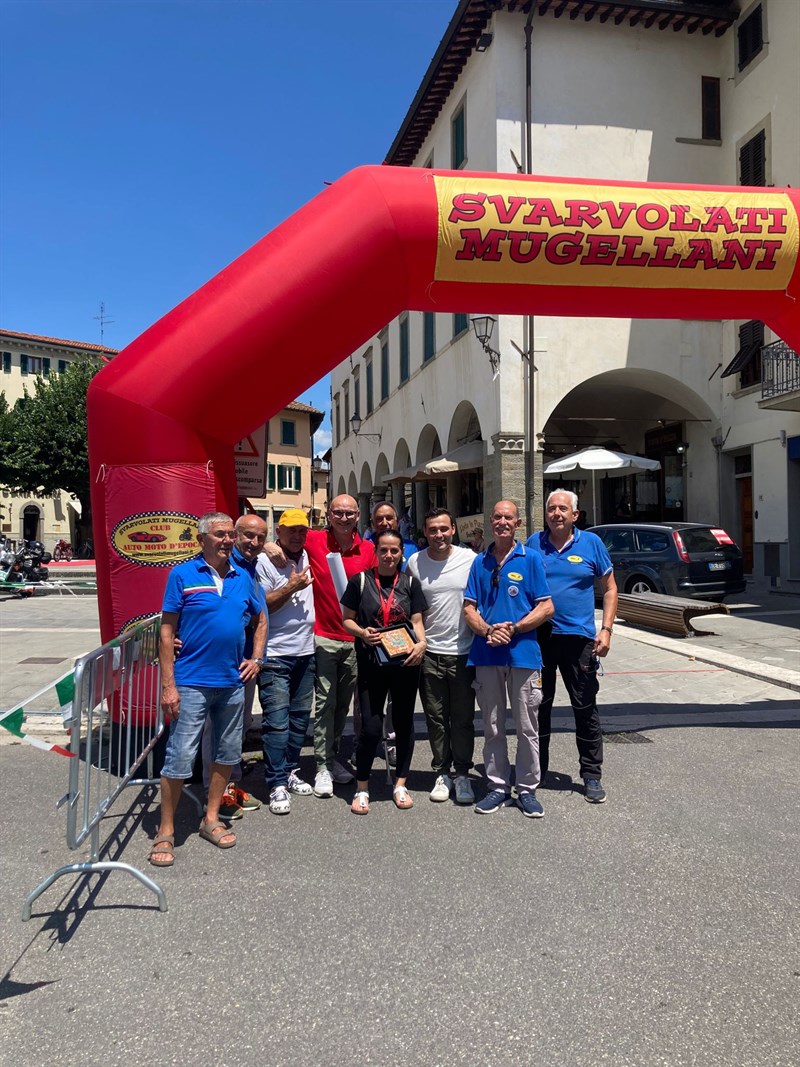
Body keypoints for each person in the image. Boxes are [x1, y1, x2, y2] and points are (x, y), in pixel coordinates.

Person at [149, 512, 266, 866]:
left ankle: (211, 818)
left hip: (232, 682)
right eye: (220, 534)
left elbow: (261, 618)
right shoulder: (182, 574)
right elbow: (167, 631)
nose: (227, 540)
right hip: (190, 681)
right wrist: (168, 685)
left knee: (226, 755)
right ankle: (165, 829)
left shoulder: (243, 576)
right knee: (180, 756)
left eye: (231, 534)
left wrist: (256, 658)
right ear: (201, 539)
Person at [265, 495, 376, 797]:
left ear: (357, 516)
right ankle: (323, 766)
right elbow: (282, 537)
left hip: (355, 638)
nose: (343, 517)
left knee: (342, 705)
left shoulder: (368, 549)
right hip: (323, 635)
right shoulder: (313, 539)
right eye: (337, 512)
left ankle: (333, 756)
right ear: (328, 515)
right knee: (324, 702)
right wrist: (268, 545)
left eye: (348, 513)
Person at [527, 489, 618, 803]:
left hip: (579, 641)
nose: (556, 514)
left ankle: (591, 775)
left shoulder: (591, 544)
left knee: (585, 708)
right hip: (539, 640)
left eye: (563, 509)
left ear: (575, 515)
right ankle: (535, 772)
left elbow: (609, 589)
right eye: (551, 509)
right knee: (539, 707)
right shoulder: (532, 545)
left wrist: (605, 630)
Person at [463, 500, 554, 818]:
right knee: (492, 724)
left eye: (508, 518)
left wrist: (513, 628)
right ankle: (498, 786)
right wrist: (489, 630)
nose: (502, 522)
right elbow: (468, 608)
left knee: (528, 725)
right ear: (491, 521)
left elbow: (546, 607)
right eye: (497, 516)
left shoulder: (531, 560)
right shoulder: (480, 562)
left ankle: (527, 788)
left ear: (518, 523)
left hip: (523, 655)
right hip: (487, 654)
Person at [340, 529, 427, 813]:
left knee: (403, 725)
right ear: (375, 552)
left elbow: (416, 619)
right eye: (384, 550)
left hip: (405, 664)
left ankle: (400, 783)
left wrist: (421, 644)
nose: (389, 556)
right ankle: (362, 787)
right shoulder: (360, 582)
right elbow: (347, 620)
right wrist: (363, 633)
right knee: (372, 727)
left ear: (402, 553)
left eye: (395, 551)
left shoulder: (411, 583)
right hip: (371, 664)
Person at [406, 508, 476, 804]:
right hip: (429, 651)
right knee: (435, 718)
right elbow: (409, 605)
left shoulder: (470, 559)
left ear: (453, 530)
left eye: (444, 529)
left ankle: (462, 775)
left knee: (462, 719)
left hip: (464, 651)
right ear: (425, 532)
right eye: (433, 530)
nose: (439, 535)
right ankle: (441, 772)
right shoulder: (414, 562)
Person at [200, 513, 267, 818]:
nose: (254, 542)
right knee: (214, 732)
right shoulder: (218, 565)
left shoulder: (249, 568)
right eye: (248, 536)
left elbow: (260, 615)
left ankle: (231, 787)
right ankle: (214, 796)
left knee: (235, 730)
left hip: (242, 662)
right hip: (212, 664)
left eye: (261, 538)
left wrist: (256, 658)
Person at [255, 508, 316, 815]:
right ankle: (276, 781)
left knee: (299, 719)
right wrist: (291, 586)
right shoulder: (264, 560)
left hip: (306, 652)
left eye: (302, 530)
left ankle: (290, 770)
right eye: (290, 530)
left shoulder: (309, 553)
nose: (297, 535)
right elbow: (262, 606)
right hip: (275, 654)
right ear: (278, 531)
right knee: (276, 723)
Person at [363, 500, 418, 566]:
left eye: (389, 518)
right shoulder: (364, 548)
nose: (384, 523)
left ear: (397, 521)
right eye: (379, 519)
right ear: (373, 523)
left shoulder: (411, 548)